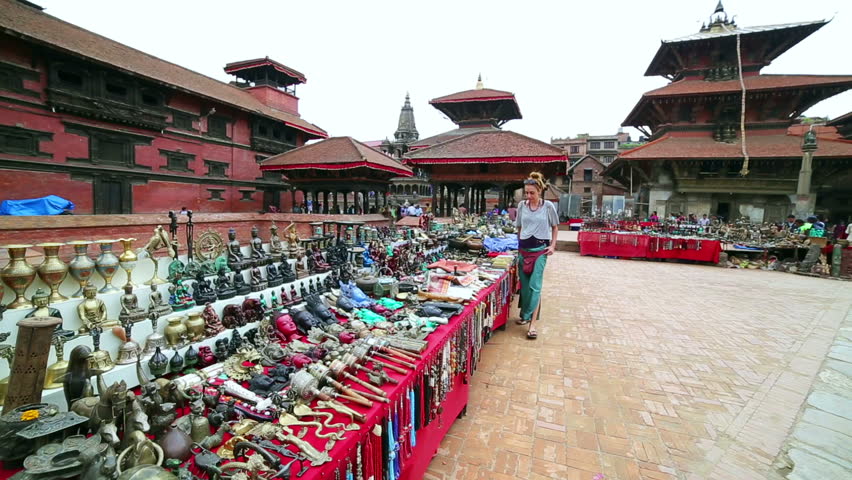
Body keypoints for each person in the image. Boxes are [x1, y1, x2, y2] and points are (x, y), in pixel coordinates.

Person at [515, 172, 558, 340]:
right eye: (526, 192)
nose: (529, 195)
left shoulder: (548, 206)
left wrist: (553, 245)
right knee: (525, 288)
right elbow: (519, 227)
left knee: (535, 286)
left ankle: (533, 324)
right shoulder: (521, 206)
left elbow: (555, 227)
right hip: (524, 250)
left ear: (540, 191)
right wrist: (518, 245)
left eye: (532, 192)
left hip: (540, 250)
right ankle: (525, 315)